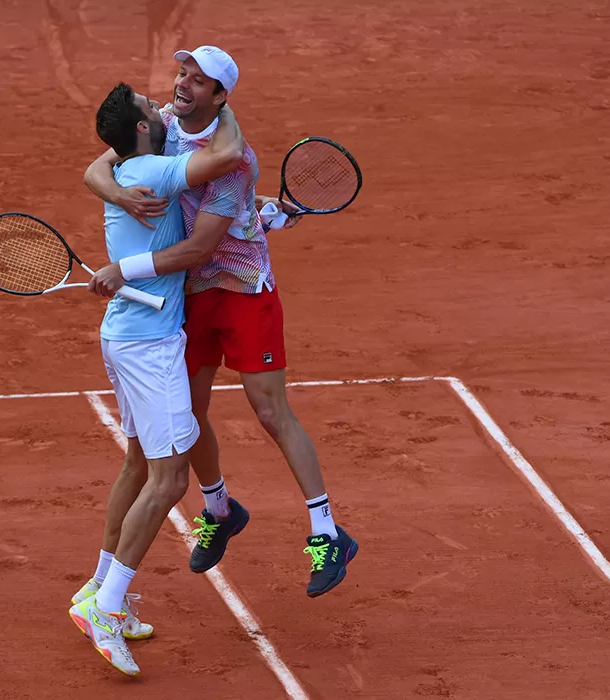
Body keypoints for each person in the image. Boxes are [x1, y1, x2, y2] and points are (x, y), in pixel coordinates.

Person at [82, 46, 359, 599]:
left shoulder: (236, 158)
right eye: (182, 72)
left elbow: (203, 243)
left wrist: (124, 268)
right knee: (191, 411)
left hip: (240, 288)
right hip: (190, 294)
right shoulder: (160, 123)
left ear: (219, 96)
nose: (182, 84)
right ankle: (220, 508)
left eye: (198, 80)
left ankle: (327, 532)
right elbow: (95, 166)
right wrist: (118, 193)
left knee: (268, 409)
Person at [67, 82, 245, 677]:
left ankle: (96, 587)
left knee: (139, 463)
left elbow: (97, 165)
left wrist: (113, 182)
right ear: (143, 128)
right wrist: (221, 99)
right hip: (152, 344)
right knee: (170, 482)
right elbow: (227, 156)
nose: (163, 107)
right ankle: (107, 608)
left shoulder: (124, 163)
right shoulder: (159, 171)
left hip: (122, 336)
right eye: (152, 106)